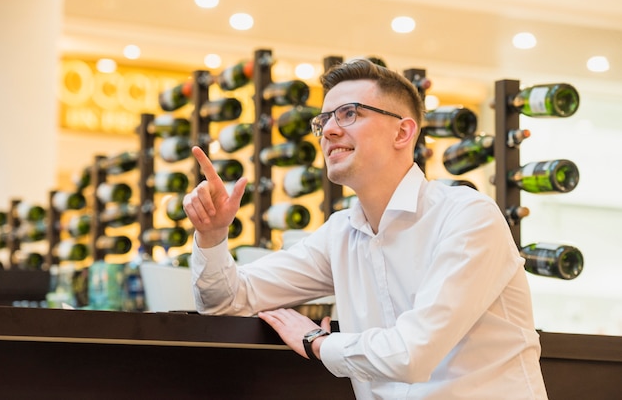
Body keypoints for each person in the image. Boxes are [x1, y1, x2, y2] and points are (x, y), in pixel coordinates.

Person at [183, 59, 548, 399]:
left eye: (349, 113)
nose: (329, 130)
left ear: (403, 132)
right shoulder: (340, 233)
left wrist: (316, 341)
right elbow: (227, 300)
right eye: (323, 120)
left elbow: (411, 354)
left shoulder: (468, 216)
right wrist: (212, 236)